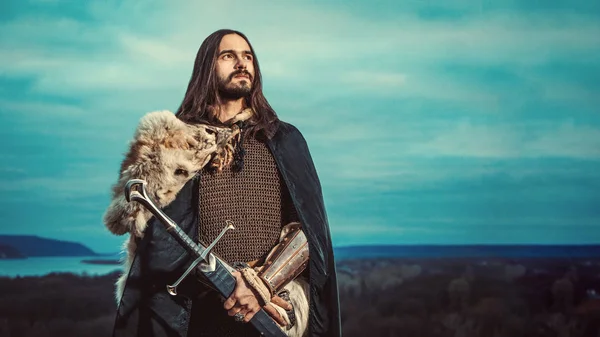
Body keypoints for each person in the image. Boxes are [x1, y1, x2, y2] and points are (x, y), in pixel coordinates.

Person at [104, 29, 341, 337]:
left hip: (271, 311)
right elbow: (149, 237)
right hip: (198, 313)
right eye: (228, 56)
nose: (241, 63)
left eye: (248, 56)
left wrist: (260, 286)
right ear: (206, 68)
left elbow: (310, 232)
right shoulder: (178, 145)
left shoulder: (282, 140)